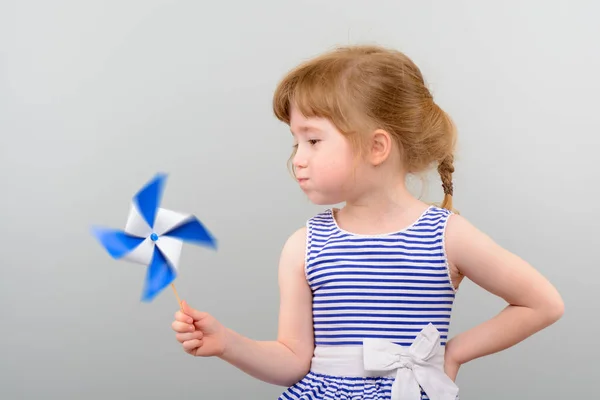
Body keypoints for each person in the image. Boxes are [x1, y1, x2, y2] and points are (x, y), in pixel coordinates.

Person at [171, 44, 564, 399]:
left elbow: (542, 303)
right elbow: (292, 361)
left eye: (313, 140)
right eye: (296, 142)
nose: (298, 159)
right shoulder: (304, 246)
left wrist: (454, 350)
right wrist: (227, 343)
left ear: (377, 147)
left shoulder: (445, 235)